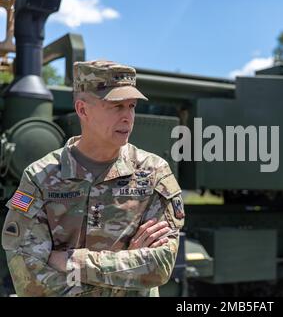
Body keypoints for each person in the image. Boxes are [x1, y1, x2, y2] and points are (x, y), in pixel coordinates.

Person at [1, 60, 185, 297]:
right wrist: (127, 265)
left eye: (131, 106)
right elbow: (27, 278)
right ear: (83, 110)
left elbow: (159, 267)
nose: (128, 116)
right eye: (116, 106)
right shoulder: (40, 177)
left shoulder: (154, 173)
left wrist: (73, 261)